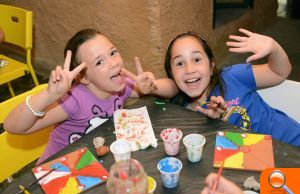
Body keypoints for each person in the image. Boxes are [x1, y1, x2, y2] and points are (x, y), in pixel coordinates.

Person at [3, 28, 177, 164]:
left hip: (95, 163)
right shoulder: (73, 100)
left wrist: (151, 87)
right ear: (83, 77)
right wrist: (49, 95)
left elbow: (173, 87)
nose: (113, 63)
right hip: (59, 171)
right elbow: (13, 126)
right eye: (99, 62)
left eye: (113, 52)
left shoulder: (120, 85)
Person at [164, 28, 300, 146]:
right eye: (180, 63)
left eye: (197, 59)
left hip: (291, 142)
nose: (189, 69)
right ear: (171, 73)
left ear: (212, 66)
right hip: (257, 161)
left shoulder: (232, 76)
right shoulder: (182, 115)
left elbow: (280, 72)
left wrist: (273, 48)